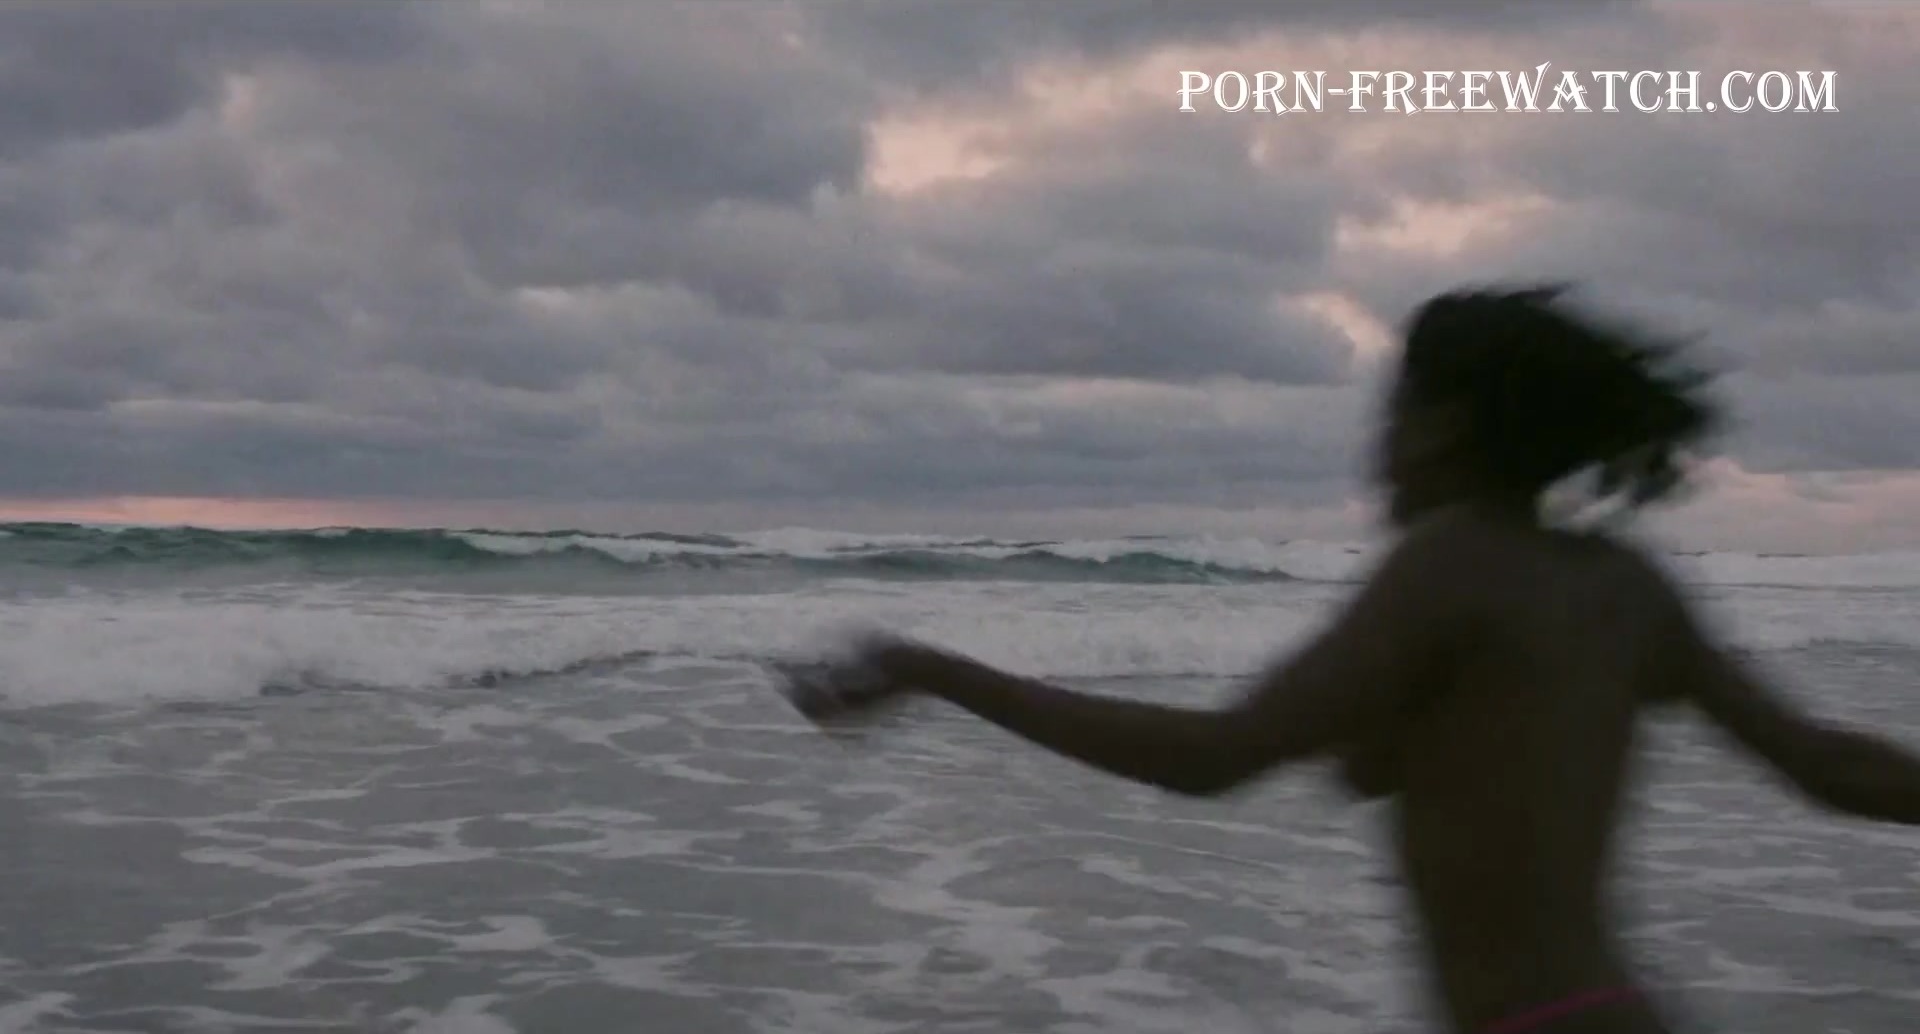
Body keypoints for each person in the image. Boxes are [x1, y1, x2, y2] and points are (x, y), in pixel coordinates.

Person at [780, 285, 1920, 1033]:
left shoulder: (1450, 562)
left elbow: (1213, 757)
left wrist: (936, 670)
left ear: (1446, 425)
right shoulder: (1624, 585)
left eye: (1393, 412)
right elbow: (1825, 765)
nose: (1375, 446)